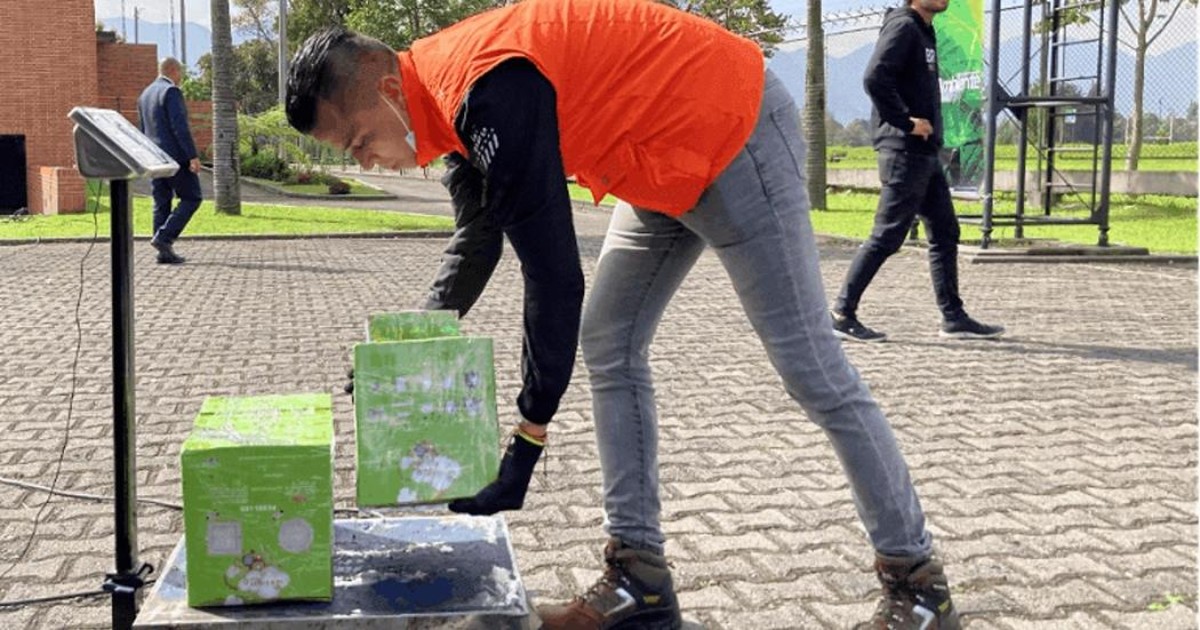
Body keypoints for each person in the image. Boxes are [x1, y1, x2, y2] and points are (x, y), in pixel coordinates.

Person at [286, 2, 960, 628]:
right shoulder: (443, 104)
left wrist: (527, 440)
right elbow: (476, 239)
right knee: (609, 340)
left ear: (384, 90)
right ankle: (640, 578)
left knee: (811, 365)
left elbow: (552, 276)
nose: (366, 159)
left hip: (730, 127)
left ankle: (918, 585)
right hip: (658, 159)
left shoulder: (488, 89)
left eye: (356, 143)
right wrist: (403, 352)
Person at [829, 0, 1005, 343]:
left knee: (944, 230)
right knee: (888, 234)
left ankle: (953, 318)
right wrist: (905, 121)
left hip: (925, 152)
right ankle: (841, 312)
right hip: (903, 150)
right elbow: (874, 77)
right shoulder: (904, 26)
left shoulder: (924, 30)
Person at [137, 57, 202, 265]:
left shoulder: (145, 95)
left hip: (155, 159)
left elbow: (143, 130)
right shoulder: (171, 91)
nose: (181, 77)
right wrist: (192, 155)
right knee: (192, 197)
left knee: (161, 202)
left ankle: (163, 251)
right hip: (175, 158)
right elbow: (179, 126)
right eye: (180, 72)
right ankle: (164, 237)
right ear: (173, 70)